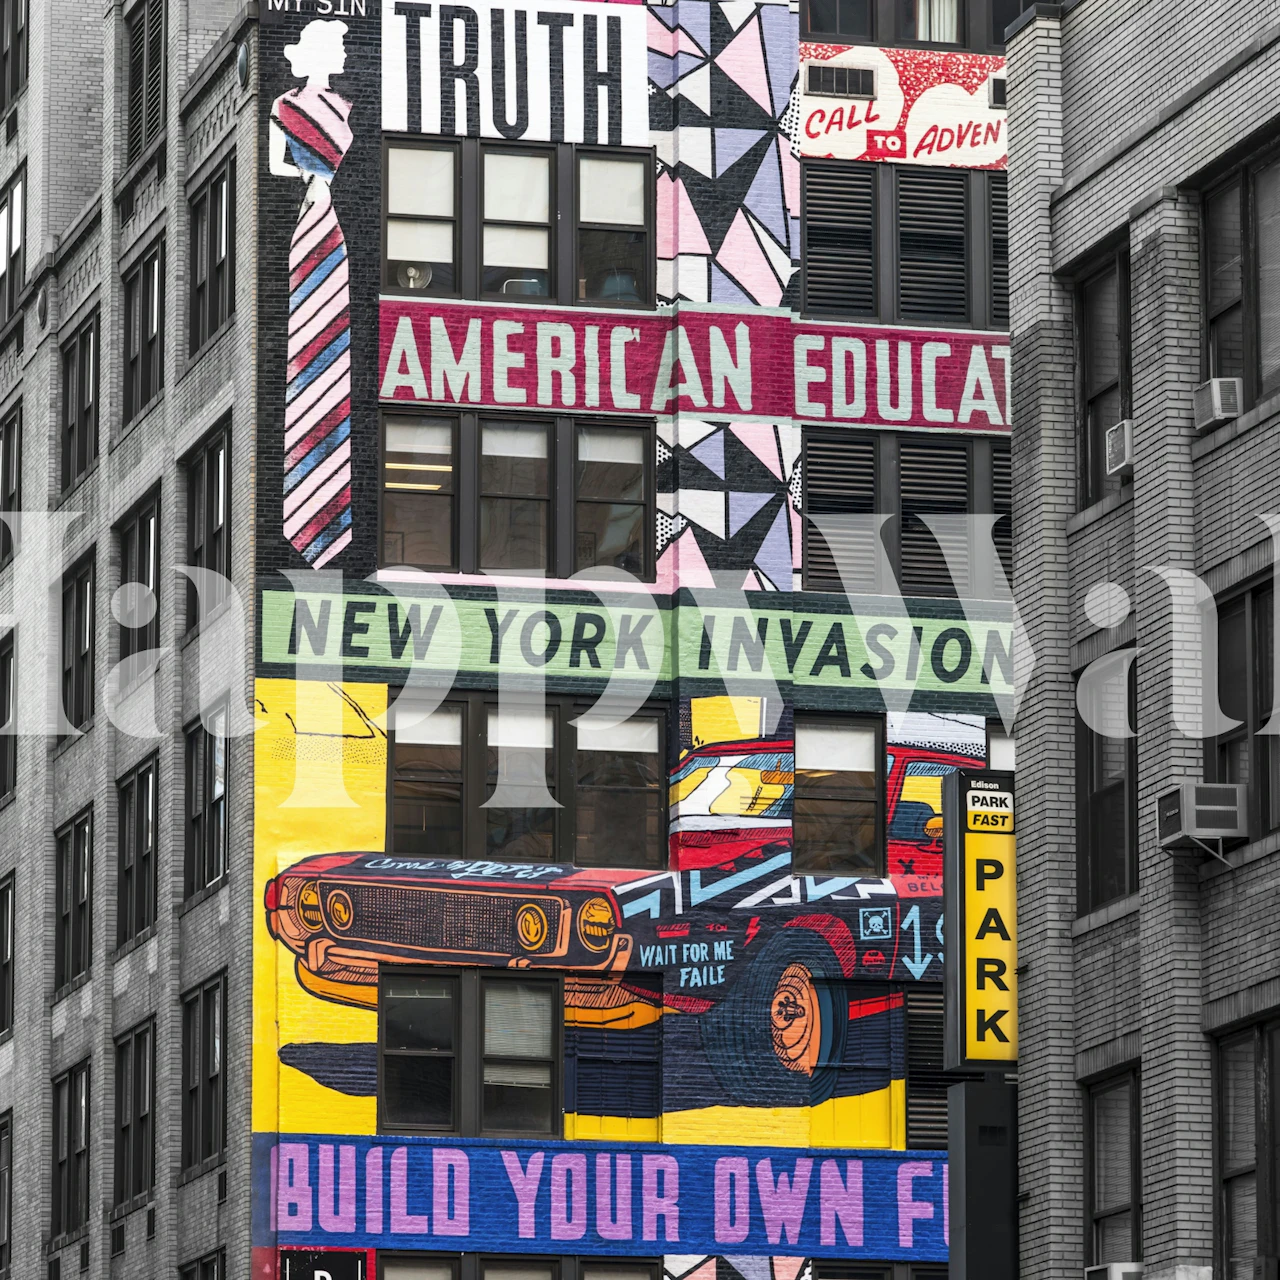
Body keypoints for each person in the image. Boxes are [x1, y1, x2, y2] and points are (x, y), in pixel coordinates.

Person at [269, 20, 355, 568]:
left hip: (329, 228)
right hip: (310, 222)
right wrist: (310, 176)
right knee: (309, 340)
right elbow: (275, 164)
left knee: (330, 340)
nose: (344, 55)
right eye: (338, 47)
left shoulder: (345, 106)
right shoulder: (283, 106)